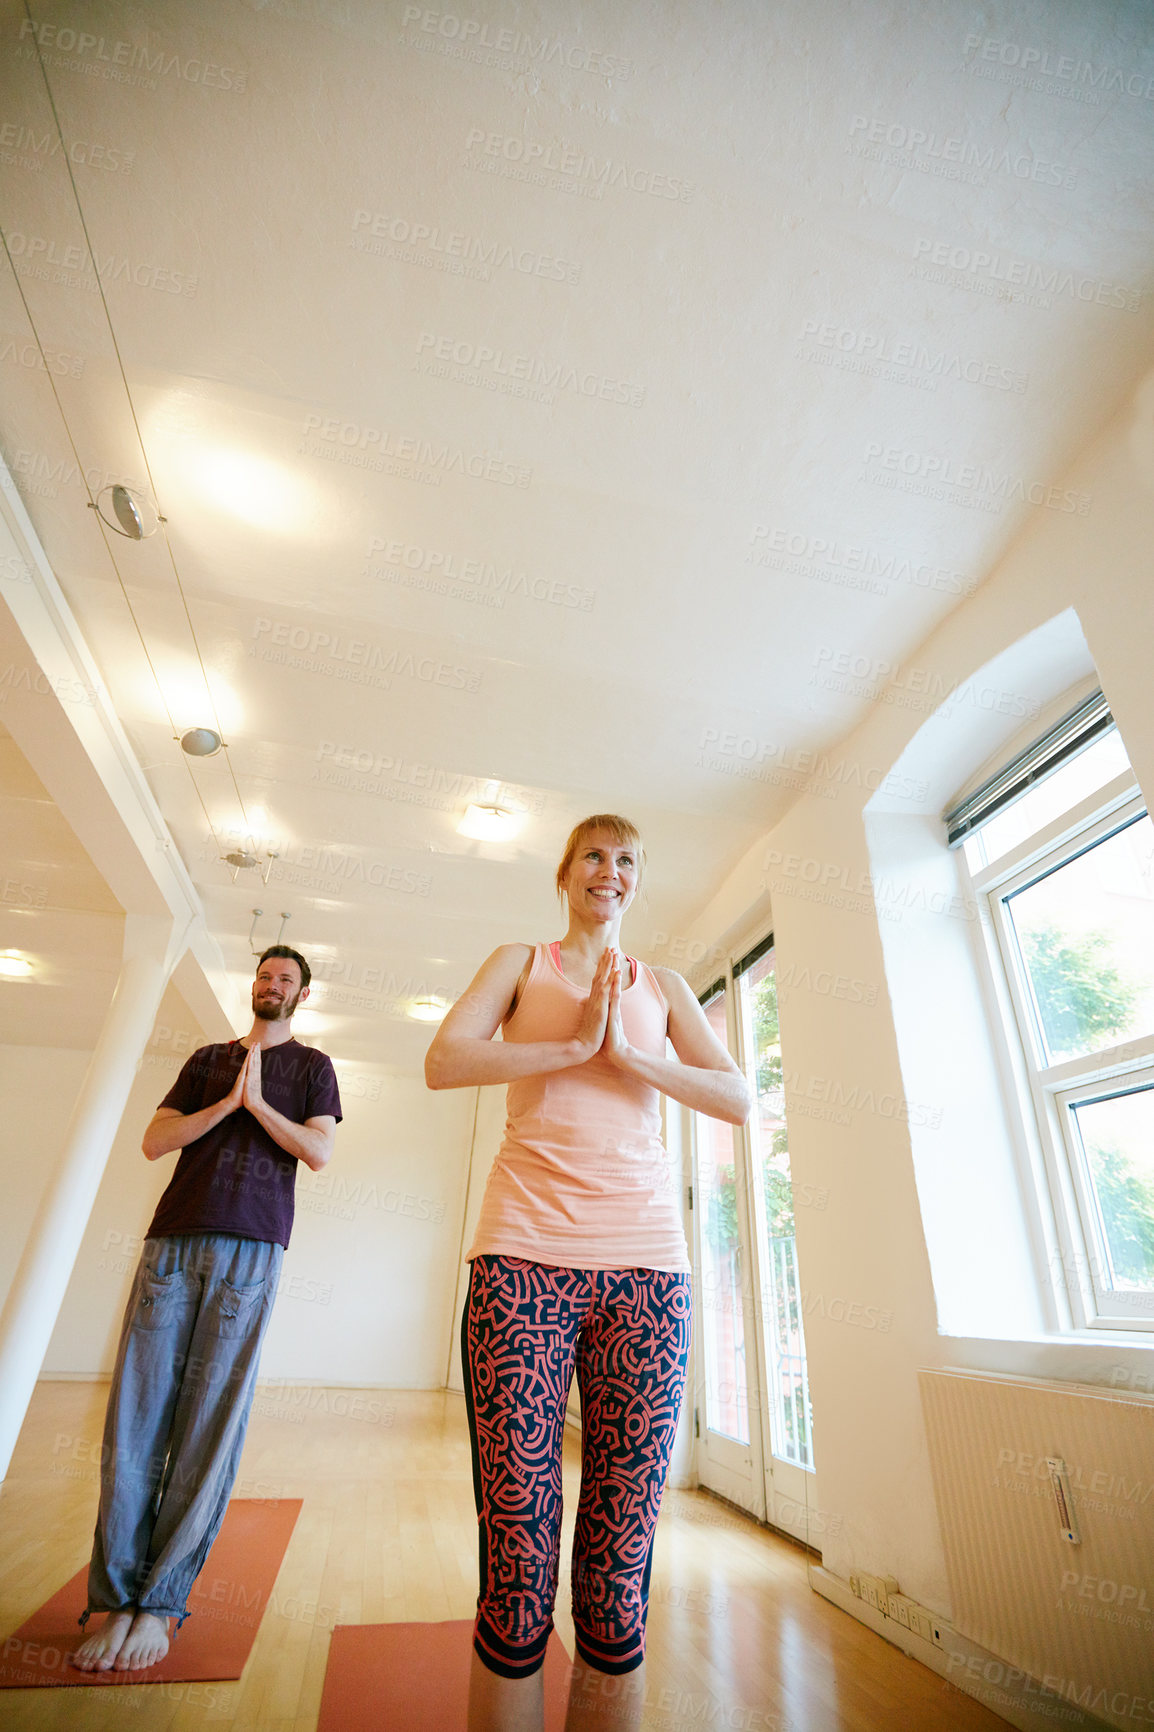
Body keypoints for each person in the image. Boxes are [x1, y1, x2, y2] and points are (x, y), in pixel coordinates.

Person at [425, 815, 752, 1732]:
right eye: (595, 857)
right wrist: (573, 1046)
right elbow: (445, 1060)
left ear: (636, 883)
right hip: (522, 1265)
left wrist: (630, 1053)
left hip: (646, 1274)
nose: (611, 872)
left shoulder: (667, 984)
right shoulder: (520, 962)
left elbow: (735, 1096)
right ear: (565, 873)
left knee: (617, 1566)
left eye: (628, 861)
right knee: (521, 1559)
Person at [70, 945, 341, 1673]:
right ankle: (114, 1598)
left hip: (251, 1252)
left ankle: (158, 1603)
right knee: (136, 1414)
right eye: (263, 976)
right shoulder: (205, 1059)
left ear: (302, 995)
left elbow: (318, 1152)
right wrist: (226, 1103)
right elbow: (156, 1140)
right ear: (252, 988)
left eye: (285, 979)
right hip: (172, 1245)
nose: (272, 985)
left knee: (208, 1425)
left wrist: (258, 1109)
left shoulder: (313, 1068)